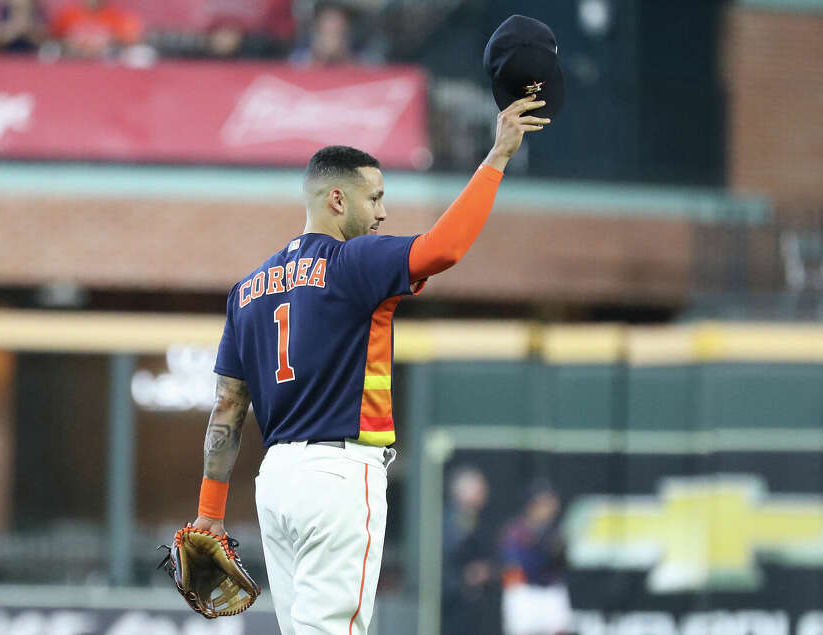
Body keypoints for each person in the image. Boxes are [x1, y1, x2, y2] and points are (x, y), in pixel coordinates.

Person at [190, 94, 550, 634]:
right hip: (337, 475)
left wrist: (209, 513)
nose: (382, 213)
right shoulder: (353, 259)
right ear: (338, 199)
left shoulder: (247, 290)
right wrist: (496, 156)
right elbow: (443, 249)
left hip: (277, 483)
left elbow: (227, 407)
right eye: (375, 198)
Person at [500, 484, 572, 635]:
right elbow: (512, 566)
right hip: (524, 593)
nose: (550, 509)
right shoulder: (516, 530)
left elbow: (563, 564)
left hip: (550, 591)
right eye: (544, 504)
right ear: (532, 505)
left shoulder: (556, 531)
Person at [443, 466, 500, 635]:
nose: (484, 495)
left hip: (476, 611)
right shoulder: (445, 524)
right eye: (479, 491)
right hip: (448, 608)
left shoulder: (482, 522)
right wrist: (463, 578)